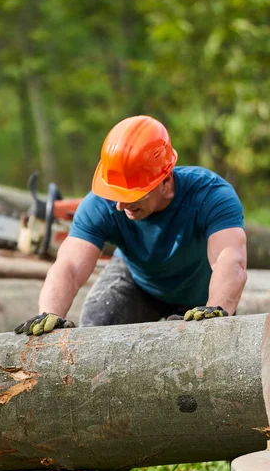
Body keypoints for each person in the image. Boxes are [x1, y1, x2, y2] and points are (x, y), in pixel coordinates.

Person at [15, 115, 247, 337]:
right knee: (96, 327)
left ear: (165, 181)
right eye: (115, 193)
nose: (119, 204)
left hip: (202, 295)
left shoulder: (211, 195)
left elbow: (230, 258)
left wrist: (216, 309)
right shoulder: (100, 204)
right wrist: (50, 312)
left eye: (133, 194)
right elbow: (70, 266)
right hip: (136, 281)